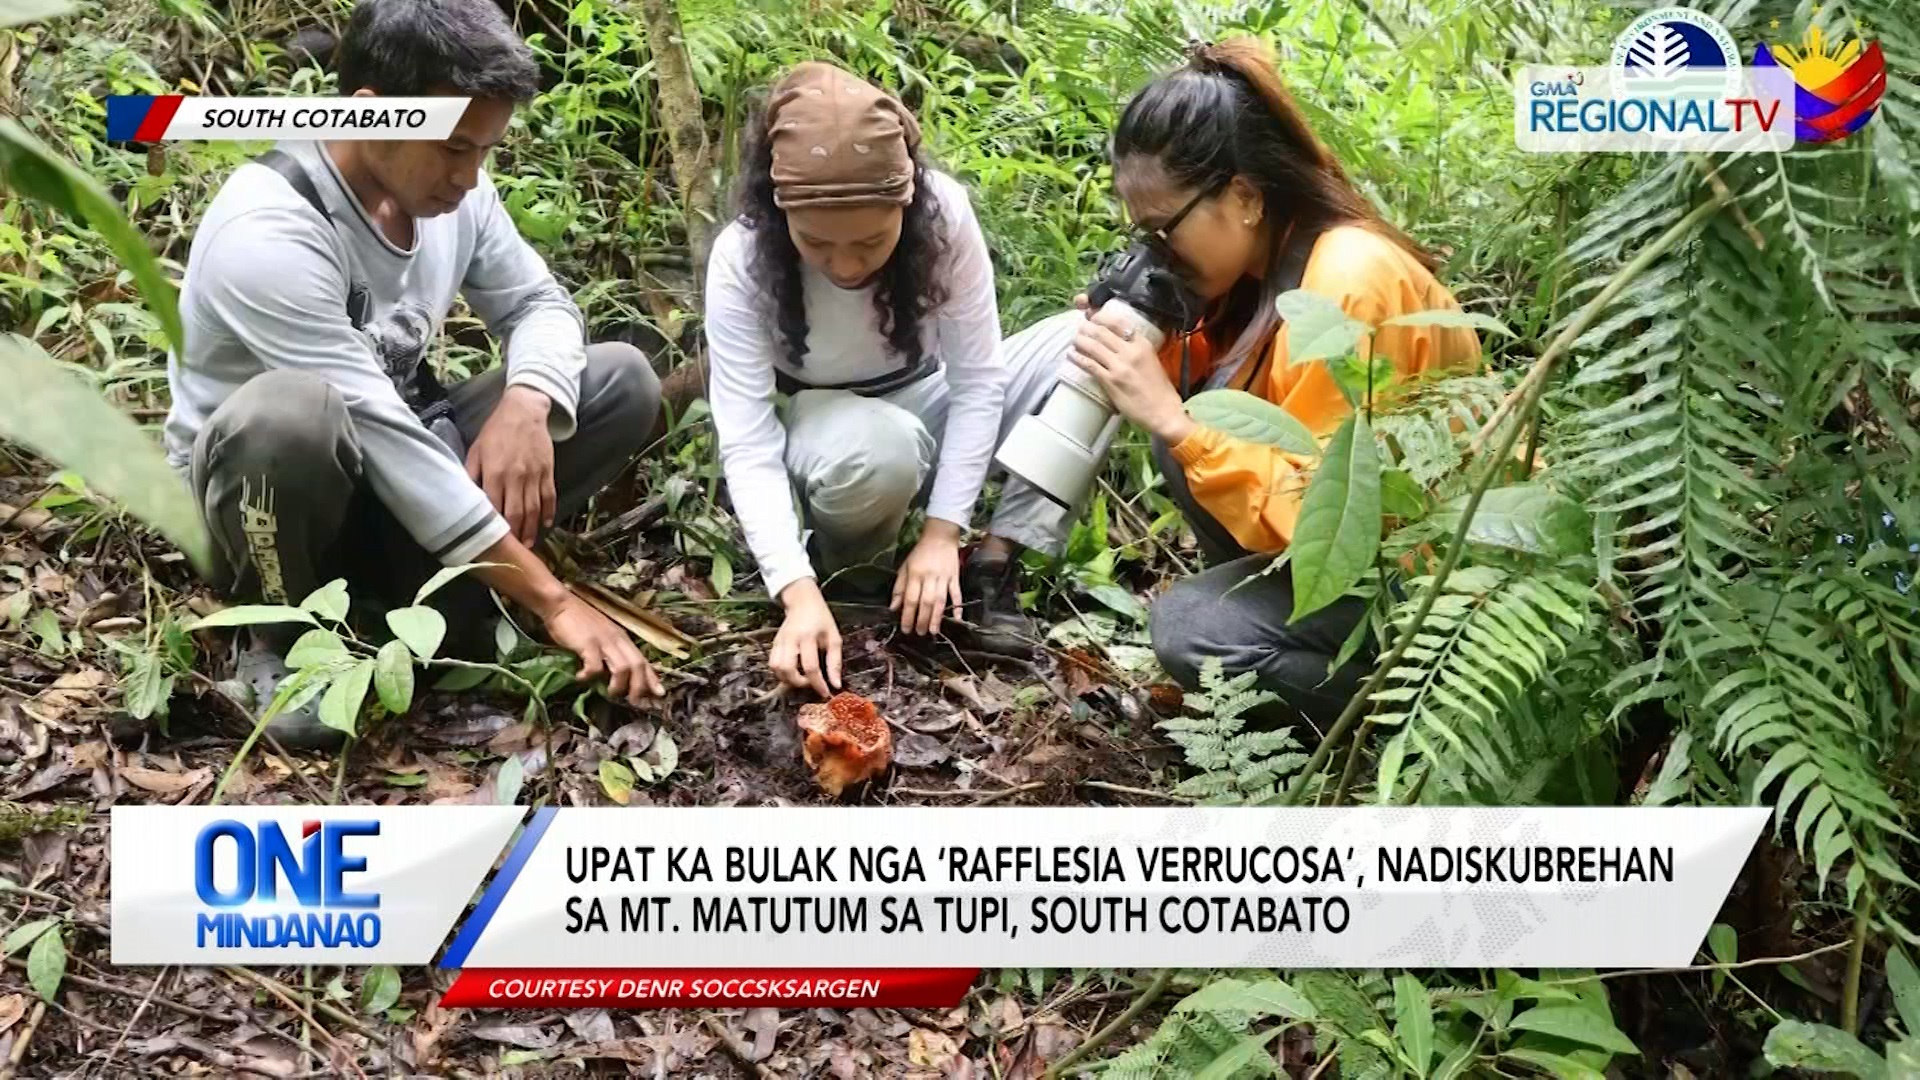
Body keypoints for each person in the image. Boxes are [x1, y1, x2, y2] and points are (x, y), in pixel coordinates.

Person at [165, 0, 666, 750]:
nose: (469, 176)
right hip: (274, 498)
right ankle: (279, 633)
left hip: (390, 466)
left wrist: (528, 400)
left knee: (618, 380)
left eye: (485, 150)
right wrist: (554, 601)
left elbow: (539, 303)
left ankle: (422, 595)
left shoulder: (457, 192)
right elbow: (377, 428)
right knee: (291, 415)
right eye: (453, 148)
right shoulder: (266, 229)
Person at [1067, 37, 1483, 731]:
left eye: (1163, 232)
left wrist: (1174, 418)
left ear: (1244, 197)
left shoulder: (1347, 277)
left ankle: (1417, 714)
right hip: (1371, 556)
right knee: (1186, 430)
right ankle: (1279, 642)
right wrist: (1148, 347)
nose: (1154, 255)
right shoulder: (1274, 267)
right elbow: (1266, 405)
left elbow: (1331, 520)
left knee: (1190, 631)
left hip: (1437, 584)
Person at [705, 61, 1091, 698]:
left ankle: (990, 567)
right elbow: (748, 441)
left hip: (926, 398)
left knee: (1096, 343)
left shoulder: (944, 218)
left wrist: (945, 534)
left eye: (870, 240)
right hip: (831, 431)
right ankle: (853, 575)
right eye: (818, 243)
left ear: (906, 200)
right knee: (878, 450)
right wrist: (796, 593)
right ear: (781, 211)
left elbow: (977, 381)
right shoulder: (741, 256)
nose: (846, 263)